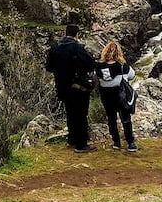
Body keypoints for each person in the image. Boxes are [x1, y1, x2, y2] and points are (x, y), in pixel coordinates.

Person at [46, 23, 98, 153]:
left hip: (62, 86)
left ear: (65, 33)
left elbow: (49, 67)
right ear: (77, 35)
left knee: (70, 113)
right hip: (78, 87)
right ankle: (81, 144)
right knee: (81, 115)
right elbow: (90, 64)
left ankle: (72, 139)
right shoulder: (77, 48)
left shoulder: (55, 47)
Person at [96, 41, 138, 152]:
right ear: (118, 53)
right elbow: (132, 75)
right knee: (125, 118)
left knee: (111, 118)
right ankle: (130, 143)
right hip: (120, 94)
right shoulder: (123, 66)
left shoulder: (98, 66)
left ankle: (116, 142)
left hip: (106, 95)